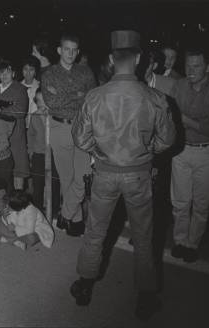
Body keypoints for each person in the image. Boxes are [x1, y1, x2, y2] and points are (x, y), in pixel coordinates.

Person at [70, 30, 176, 320]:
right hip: (139, 175)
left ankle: (84, 286)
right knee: (144, 237)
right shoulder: (154, 97)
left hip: (104, 172)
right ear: (139, 58)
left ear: (111, 59)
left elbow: (80, 139)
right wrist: (146, 150)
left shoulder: (95, 96)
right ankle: (144, 298)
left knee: (95, 232)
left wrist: (100, 151)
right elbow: (167, 140)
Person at [148, 46, 209, 263]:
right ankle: (180, 241)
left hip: (208, 153)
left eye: (196, 66)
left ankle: (193, 244)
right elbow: (169, 116)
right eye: (187, 66)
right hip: (181, 150)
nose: (191, 70)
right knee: (180, 201)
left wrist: (185, 120)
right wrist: (192, 123)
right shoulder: (179, 86)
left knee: (202, 204)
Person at [41, 33, 97, 236]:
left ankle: (65, 214)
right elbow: (52, 103)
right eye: (66, 49)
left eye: (74, 50)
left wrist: (63, 95)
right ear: (59, 50)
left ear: (78, 51)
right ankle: (76, 221)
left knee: (83, 176)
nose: (70, 53)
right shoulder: (49, 73)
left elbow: (91, 100)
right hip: (59, 127)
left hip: (82, 128)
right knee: (66, 178)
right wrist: (77, 95)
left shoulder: (86, 72)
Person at [0, 61, 30, 190]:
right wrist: (9, 104)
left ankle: (18, 204)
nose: (4, 75)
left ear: (14, 73)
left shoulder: (20, 89)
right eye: (1, 72)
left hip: (15, 136)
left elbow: (20, 111)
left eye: (8, 72)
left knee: (18, 170)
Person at [27, 88, 60, 216]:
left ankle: (55, 211)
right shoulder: (35, 116)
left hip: (54, 154)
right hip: (38, 154)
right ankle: (38, 211)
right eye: (38, 100)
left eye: (44, 100)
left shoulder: (56, 115)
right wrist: (30, 151)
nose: (41, 104)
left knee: (55, 183)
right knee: (38, 184)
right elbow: (30, 135)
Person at [20, 55, 40, 127]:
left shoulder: (40, 87)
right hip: (20, 126)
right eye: (25, 69)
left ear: (35, 72)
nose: (28, 72)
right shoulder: (16, 87)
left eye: (31, 69)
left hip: (35, 126)